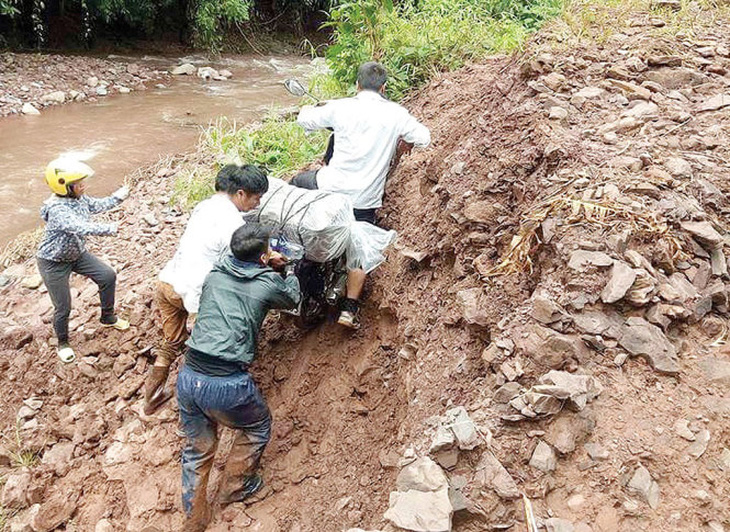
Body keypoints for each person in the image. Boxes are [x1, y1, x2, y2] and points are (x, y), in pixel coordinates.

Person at [177, 223, 300, 531]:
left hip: (189, 376)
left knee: (197, 449)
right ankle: (236, 487)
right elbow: (291, 299)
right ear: (263, 257)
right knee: (257, 425)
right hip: (227, 384)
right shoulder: (268, 282)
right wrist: (290, 270)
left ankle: (194, 518)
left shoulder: (215, 275)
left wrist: (261, 262)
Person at [293, 61, 431, 328]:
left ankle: (285, 250)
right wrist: (406, 140)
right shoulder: (396, 114)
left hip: (329, 188)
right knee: (361, 247)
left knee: (296, 184)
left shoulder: (341, 107)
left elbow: (304, 119)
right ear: (384, 88)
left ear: (357, 84)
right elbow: (424, 136)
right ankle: (349, 308)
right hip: (364, 199)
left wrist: (312, 108)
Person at [143, 164, 274, 415]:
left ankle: (152, 398)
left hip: (169, 282)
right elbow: (240, 263)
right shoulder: (234, 223)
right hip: (195, 292)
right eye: (256, 198)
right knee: (202, 348)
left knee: (171, 341)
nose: (257, 204)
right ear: (240, 194)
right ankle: (196, 403)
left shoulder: (205, 206)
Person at [37, 158, 130, 363]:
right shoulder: (57, 209)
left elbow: (97, 205)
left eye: (82, 182)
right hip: (53, 262)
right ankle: (62, 342)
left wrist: (118, 197)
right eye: (79, 183)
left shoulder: (79, 199)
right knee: (63, 307)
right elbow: (80, 226)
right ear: (65, 187)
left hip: (76, 255)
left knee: (107, 276)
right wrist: (112, 228)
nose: (83, 186)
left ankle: (107, 317)